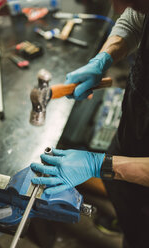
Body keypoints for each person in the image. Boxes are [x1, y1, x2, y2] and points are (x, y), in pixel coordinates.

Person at [30, 1, 149, 247]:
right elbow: (135, 18)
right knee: (129, 216)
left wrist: (102, 165)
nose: (116, 7)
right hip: (132, 137)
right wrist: (103, 58)